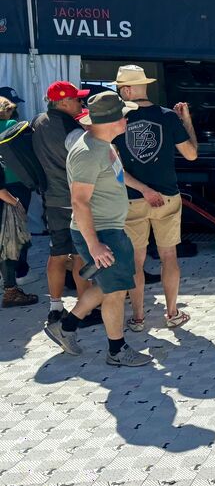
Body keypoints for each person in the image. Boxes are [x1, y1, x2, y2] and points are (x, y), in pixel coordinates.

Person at [44, 91, 151, 366]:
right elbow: (79, 202)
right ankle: (117, 351)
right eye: (124, 115)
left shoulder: (106, 145)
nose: (127, 119)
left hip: (108, 230)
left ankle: (65, 327)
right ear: (113, 120)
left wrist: (144, 188)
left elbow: (118, 173)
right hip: (101, 233)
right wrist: (94, 244)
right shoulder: (88, 152)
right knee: (115, 291)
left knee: (108, 285)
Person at [111, 65, 198, 331]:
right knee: (168, 256)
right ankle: (172, 314)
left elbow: (116, 169)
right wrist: (187, 122)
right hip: (167, 197)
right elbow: (192, 154)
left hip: (132, 199)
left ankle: (138, 318)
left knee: (136, 261)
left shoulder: (116, 119)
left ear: (126, 89)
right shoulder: (168, 117)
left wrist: (143, 190)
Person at [32, 81, 95, 326]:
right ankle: (85, 310)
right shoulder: (73, 129)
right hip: (75, 199)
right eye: (77, 99)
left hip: (52, 200)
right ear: (63, 102)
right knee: (81, 255)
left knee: (57, 254)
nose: (81, 103)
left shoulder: (38, 122)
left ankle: (55, 307)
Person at [0, 95, 35, 304]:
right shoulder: (13, 125)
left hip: (3, 186)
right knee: (15, 233)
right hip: (15, 185)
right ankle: (17, 278)